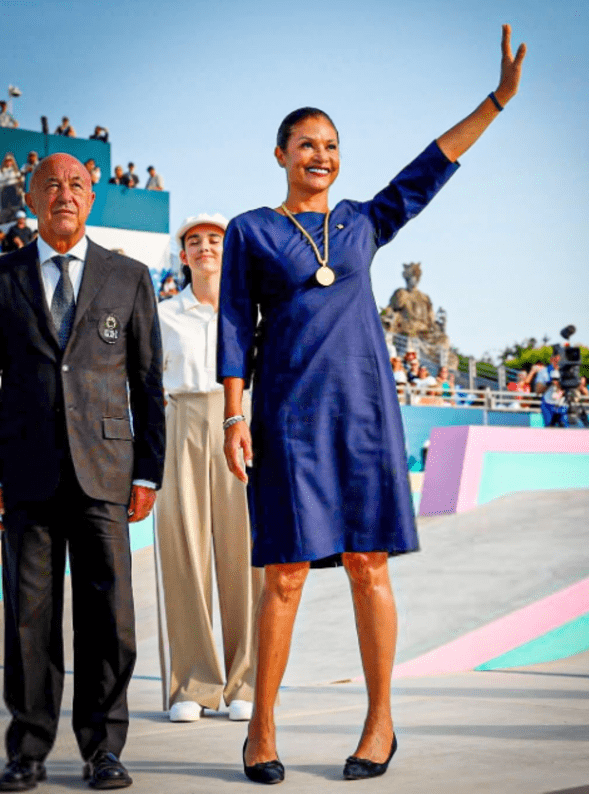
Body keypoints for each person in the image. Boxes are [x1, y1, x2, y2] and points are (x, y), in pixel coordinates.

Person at [218, 24, 525, 784]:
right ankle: (261, 731)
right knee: (284, 575)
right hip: (286, 420)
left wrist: (496, 101)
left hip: (363, 421)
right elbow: (233, 325)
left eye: (330, 145)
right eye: (306, 144)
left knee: (367, 565)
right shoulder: (251, 231)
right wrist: (233, 415)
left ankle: (380, 723)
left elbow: (430, 167)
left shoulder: (362, 220)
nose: (320, 155)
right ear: (282, 154)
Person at [0, 153, 165, 791]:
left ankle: (104, 748)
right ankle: (28, 751)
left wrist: (148, 471)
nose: (63, 194)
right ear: (32, 198)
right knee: (27, 617)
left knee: (108, 616)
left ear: (91, 198)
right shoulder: (5, 276)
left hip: (107, 472)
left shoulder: (129, 277)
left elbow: (149, 382)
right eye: (51, 185)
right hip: (26, 473)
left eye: (76, 185)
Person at [155, 213, 261, 725]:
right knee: (184, 556)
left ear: (229, 248)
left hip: (240, 424)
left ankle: (246, 680)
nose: (204, 249)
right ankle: (192, 684)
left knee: (245, 555)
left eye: (214, 240)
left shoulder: (252, 313)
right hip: (184, 423)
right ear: (183, 255)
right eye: (194, 242)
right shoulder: (164, 313)